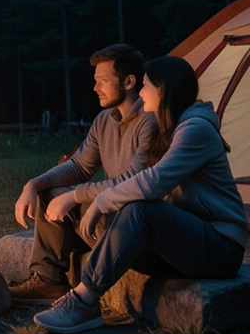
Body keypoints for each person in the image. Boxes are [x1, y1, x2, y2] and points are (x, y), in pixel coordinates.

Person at [33, 55, 247, 334]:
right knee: (128, 213)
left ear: (163, 90)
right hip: (181, 246)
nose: (141, 93)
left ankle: (83, 301)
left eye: (146, 86)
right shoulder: (168, 127)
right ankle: (57, 281)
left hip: (220, 247)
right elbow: (123, 178)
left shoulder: (196, 129)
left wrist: (100, 200)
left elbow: (153, 182)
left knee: (140, 209)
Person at [9, 44, 157, 305]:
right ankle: (48, 281)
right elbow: (79, 166)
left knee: (64, 197)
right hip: (106, 216)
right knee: (50, 192)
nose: (95, 88)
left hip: (135, 224)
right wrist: (33, 184)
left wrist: (76, 196)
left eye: (102, 81)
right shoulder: (104, 120)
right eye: (95, 81)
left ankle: (71, 292)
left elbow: (135, 179)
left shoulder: (150, 121)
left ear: (129, 81)